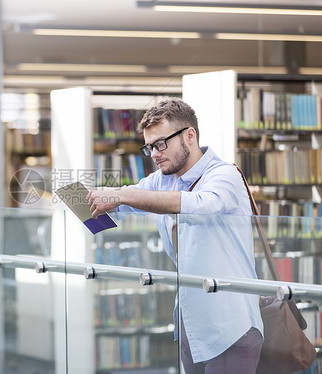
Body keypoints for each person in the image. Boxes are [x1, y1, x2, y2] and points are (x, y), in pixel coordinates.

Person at [87, 97, 264, 374]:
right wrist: (77, 199)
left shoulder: (224, 175)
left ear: (189, 136)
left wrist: (122, 193)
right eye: (149, 147)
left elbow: (200, 205)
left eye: (160, 144)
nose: (155, 154)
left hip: (231, 324)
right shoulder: (161, 179)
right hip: (191, 324)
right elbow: (111, 214)